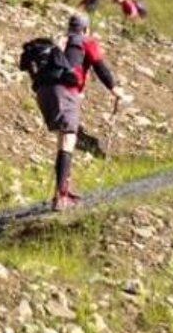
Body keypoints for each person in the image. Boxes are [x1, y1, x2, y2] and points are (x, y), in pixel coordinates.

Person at [27, 14, 120, 210]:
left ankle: (61, 191)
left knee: (64, 138)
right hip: (66, 91)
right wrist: (115, 89)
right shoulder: (85, 42)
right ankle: (61, 197)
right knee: (69, 138)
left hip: (43, 91)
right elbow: (100, 67)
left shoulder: (58, 42)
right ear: (85, 29)